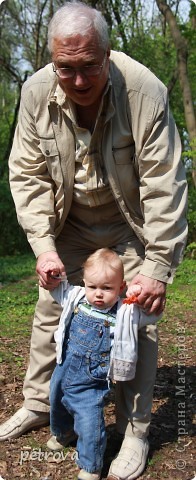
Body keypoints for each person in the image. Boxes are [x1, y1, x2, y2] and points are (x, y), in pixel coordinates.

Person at [0, 1, 187, 479]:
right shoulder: (36, 91)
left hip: (129, 224)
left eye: (89, 68)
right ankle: (42, 403)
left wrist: (157, 265)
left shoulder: (145, 90)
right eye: (66, 68)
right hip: (71, 224)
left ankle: (135, 429)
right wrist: (43, 246)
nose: (78, 81)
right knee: (50, 309)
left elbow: (165, 181)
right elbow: (26, 173)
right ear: (51, 59)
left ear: (107, 55)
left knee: (136, 318)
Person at [44, 248, 160, 480]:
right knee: (56, 400)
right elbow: (58, 290)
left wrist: (141, 297)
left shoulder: (126, 311)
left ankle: (91, 465)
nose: (98, 294)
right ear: (84, 283)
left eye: (107, 288)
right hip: (65, 367)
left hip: (92, 378)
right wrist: (53, 275)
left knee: (89, 420)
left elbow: (152, 315)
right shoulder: (76, 297)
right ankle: (64, 432)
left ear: (121, 287)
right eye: (93, 287)